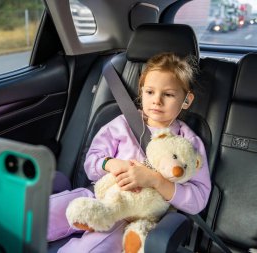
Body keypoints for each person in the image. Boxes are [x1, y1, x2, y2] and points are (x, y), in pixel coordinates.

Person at [47, 52, 211, 252]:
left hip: (132, 217)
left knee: (93, 248)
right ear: (141, 92)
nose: (157, 101)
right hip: (98, 195)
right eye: (150, 92)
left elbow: (198, 199)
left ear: (186, 100)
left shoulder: (188, 142)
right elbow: (91, 163)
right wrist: (111, 164)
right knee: (37, 214)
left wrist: (155, 181)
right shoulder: (121, 124)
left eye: (168, 94)